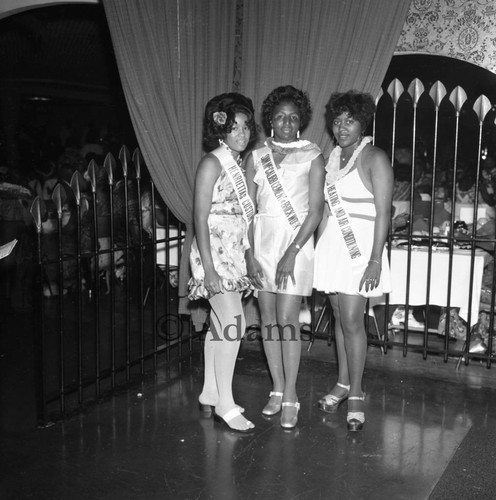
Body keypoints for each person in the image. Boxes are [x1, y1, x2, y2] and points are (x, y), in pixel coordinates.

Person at [245, 85, 325, 429]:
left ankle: (291, 393)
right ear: (270, 120)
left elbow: (316, 210)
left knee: (288, 319)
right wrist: (248, 252)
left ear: (301, 120)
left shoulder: (312, 154)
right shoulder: (256, 156)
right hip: (262, 242)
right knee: (267, 320)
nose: (287, 122)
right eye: (280, 116)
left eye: (293, 117)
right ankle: (276, 389)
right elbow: (247, 209)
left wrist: (293, 252)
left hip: (295, 243)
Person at [313, 90, 393, 432]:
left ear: (363, 123)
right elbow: (326, 211)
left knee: (352, 320)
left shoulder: (375, 156)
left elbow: (384, 211)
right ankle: (343, 383)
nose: (343, 127)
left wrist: (375, 259)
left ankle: (357, 393)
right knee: (336, 317)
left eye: (350, 121)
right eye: (338, 120)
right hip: (333, 245)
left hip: (362, 247)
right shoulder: (332, 158)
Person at [188, 92, 258, 433]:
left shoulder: (240, 163)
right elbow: (199, 219)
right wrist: (210, 269)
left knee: (220, 325)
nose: (241, 133)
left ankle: (210, 392)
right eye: (234, 126)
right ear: (220, 129)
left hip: (232, 251)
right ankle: (226, 405)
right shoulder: (212, 162)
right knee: (234, 323)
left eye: (246, 126)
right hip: (212, 252)